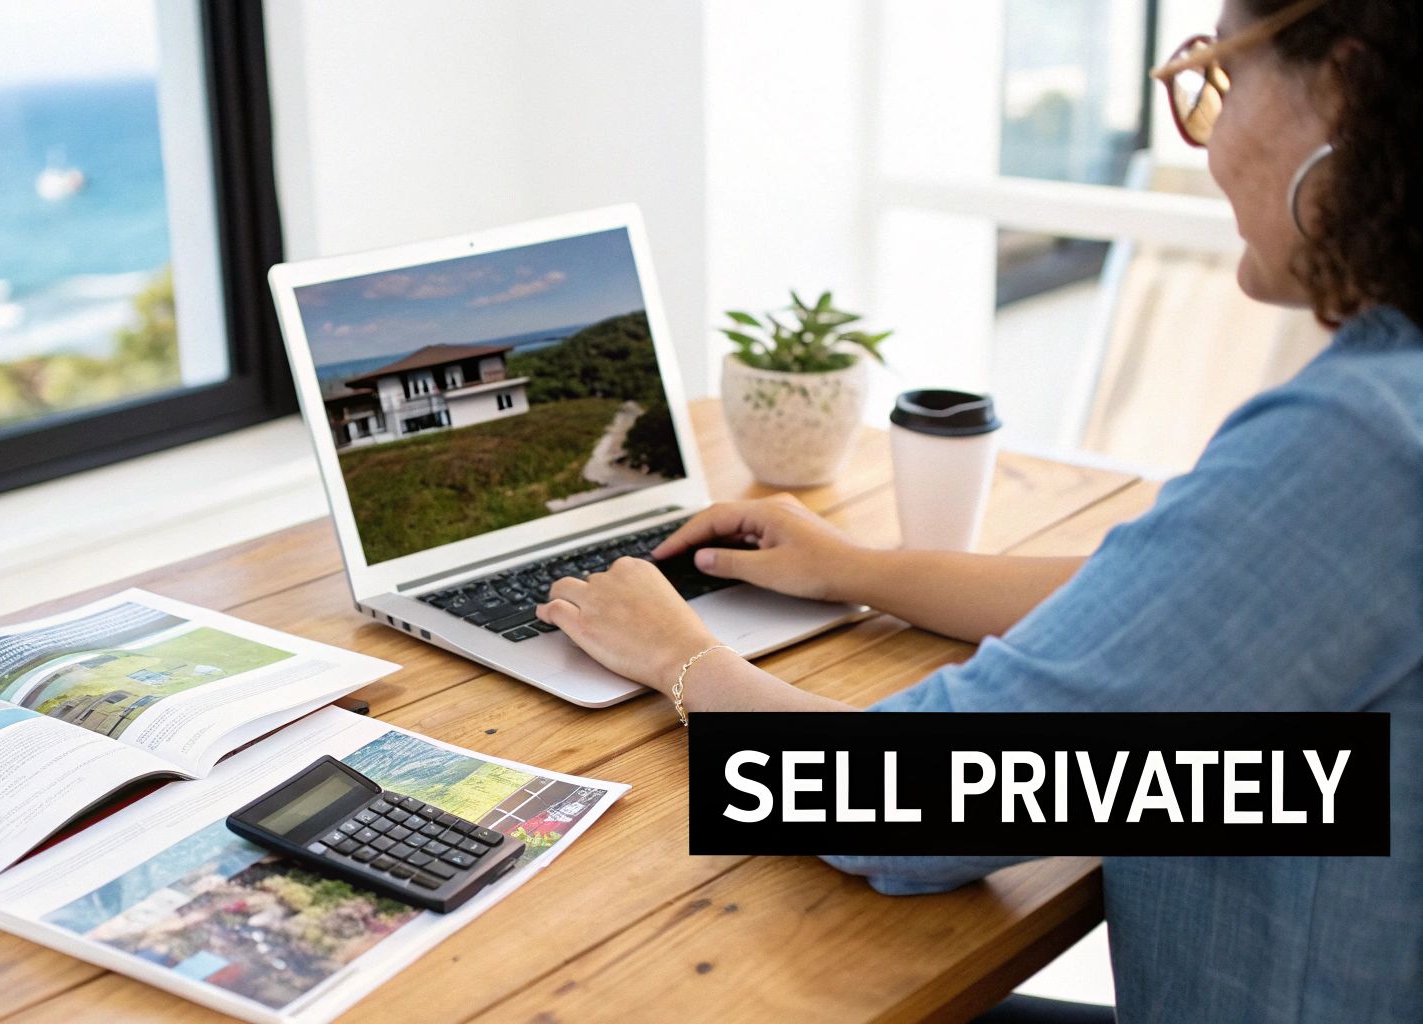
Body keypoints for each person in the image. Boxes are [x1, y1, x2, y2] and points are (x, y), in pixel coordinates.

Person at [532, 0, 1422, 1019]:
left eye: (1218, 80)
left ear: (1344, 94)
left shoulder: (1362, 437)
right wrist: (859, 569)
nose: (1211, 141)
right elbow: (1173, 602)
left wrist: (675, 656)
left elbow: (909, 808)